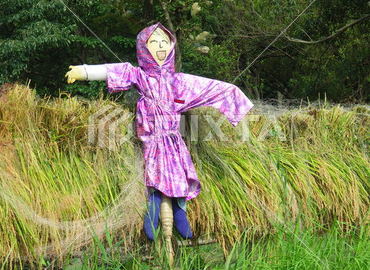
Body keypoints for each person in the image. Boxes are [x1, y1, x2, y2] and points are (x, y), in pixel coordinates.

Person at [65, 22, 253, 241]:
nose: (160, 46)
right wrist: (83, 71)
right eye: (154, 42)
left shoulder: (179, 82)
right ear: (144, 48)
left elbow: (210, 88)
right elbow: (115, 70)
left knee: (179, 173)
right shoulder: (140, 76)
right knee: (154, 175)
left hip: (173, 139)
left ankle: (180, 214)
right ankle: (153, 215)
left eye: (165, 41)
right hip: (152, 139)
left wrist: (237, 100)